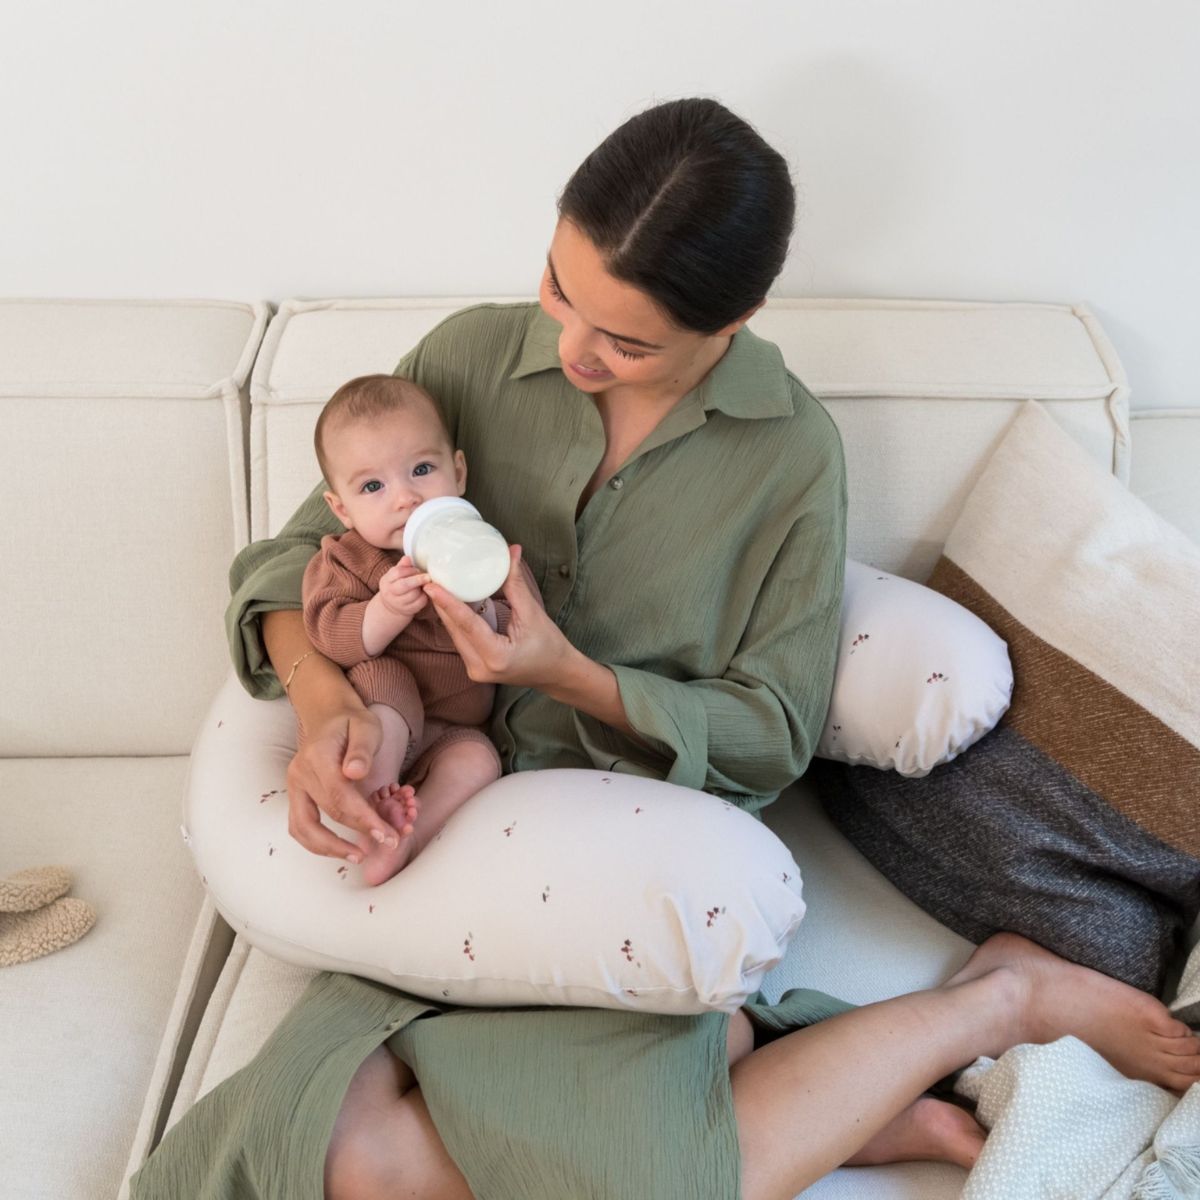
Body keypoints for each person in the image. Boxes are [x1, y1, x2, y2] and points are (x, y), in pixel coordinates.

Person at [135, 98, 1200, 1200]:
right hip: (448, 838)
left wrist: (564, 672)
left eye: (626, 338)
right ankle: (788, 1080)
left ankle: (994, 1003)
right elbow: (292, 560)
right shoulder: (466, 360)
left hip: (632, 859)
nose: (570, 347)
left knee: (398, 1166)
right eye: (559, 288)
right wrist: (325, 711)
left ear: (734, 318)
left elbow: (775, 733)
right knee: (320, 1146)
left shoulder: (785, 456)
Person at [302, 373, 525, 884]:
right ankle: (371, 795)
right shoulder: (344, 560)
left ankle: (409, 835)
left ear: (459, 472)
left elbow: (521, 631)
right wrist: (384, 611)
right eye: (373, 486)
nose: (405, 498)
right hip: (374, 722)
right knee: (386, 677)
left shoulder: (484, 550)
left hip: (452, 727)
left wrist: (484, 609)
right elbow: (330, 638)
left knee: (479, 760)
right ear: (341, 507)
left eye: (422, 469)